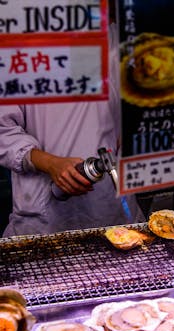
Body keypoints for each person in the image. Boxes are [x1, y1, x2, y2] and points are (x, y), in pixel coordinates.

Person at [0, 16, 145, 237]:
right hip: (44, 217)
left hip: (113, 208)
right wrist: (50, 164)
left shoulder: (120, 37)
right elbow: (3, 130)